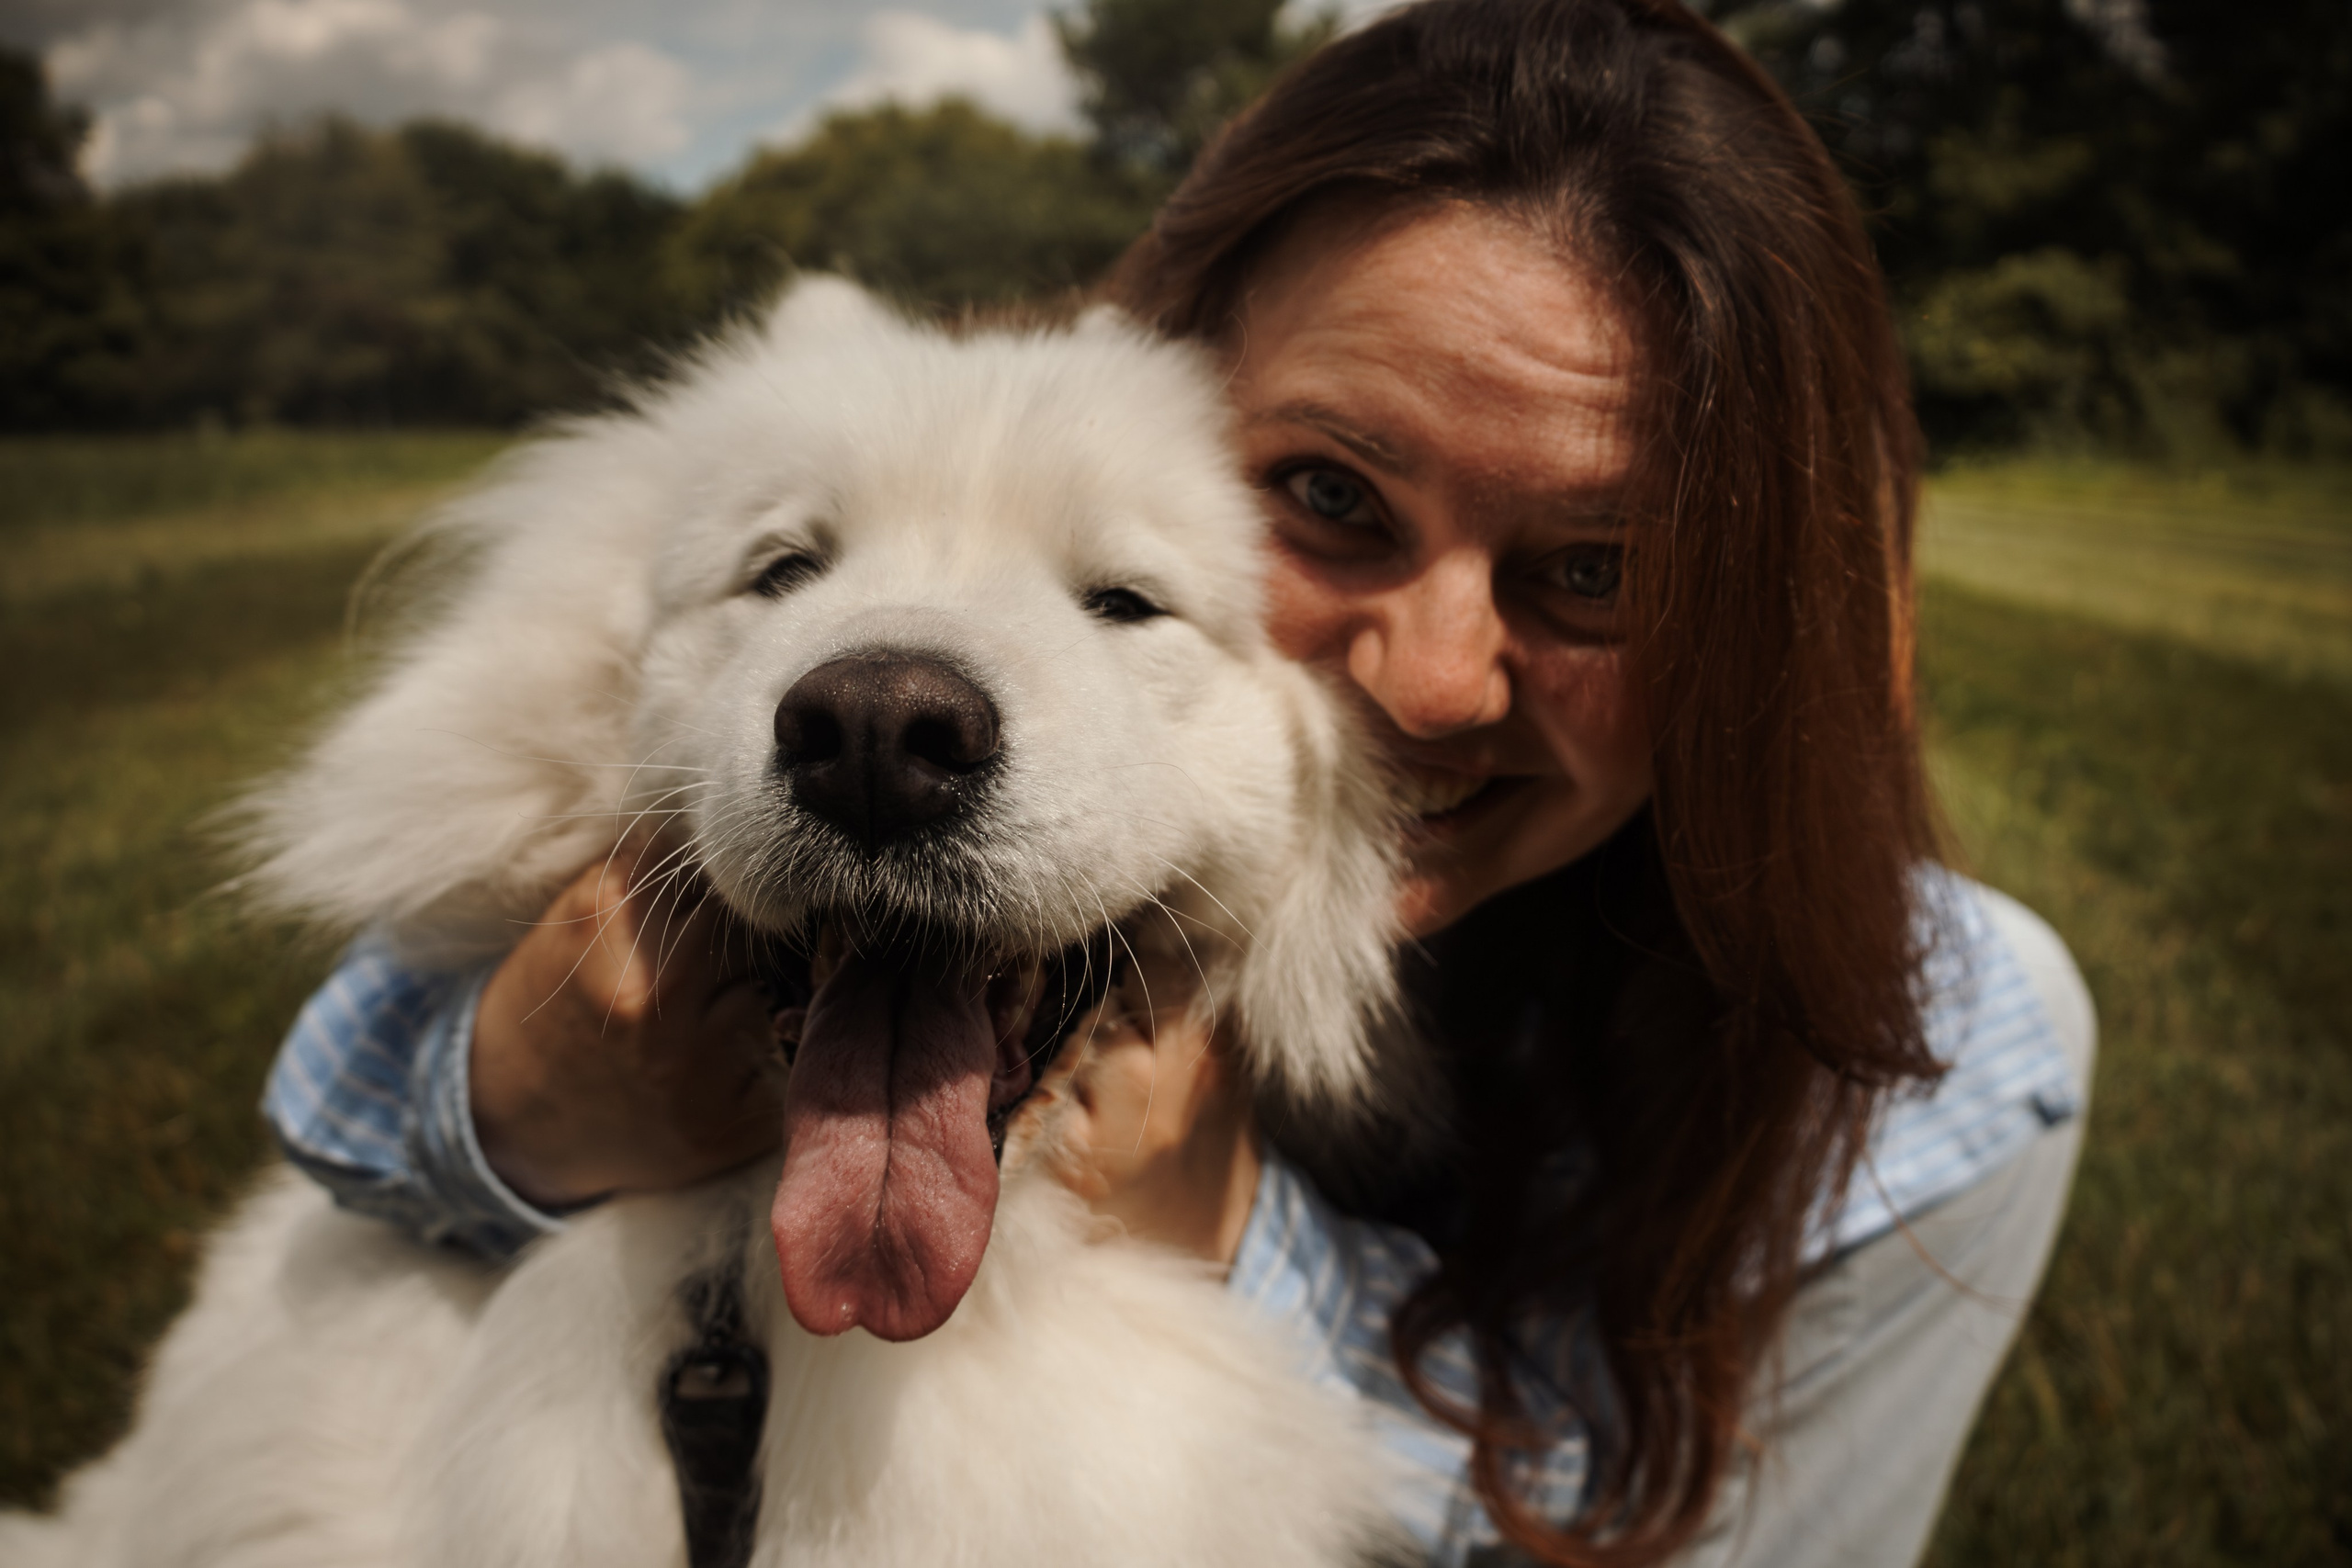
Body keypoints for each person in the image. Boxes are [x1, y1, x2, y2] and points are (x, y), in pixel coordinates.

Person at [259, 1, 2095, 1562]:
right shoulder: (985, 531)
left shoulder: (1957, 1052)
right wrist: (523, 1087)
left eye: (1594, 571)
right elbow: (361, 1061)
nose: (1430, 682)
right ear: (1177, 377)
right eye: (1328, 496)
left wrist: (1217, 1223)